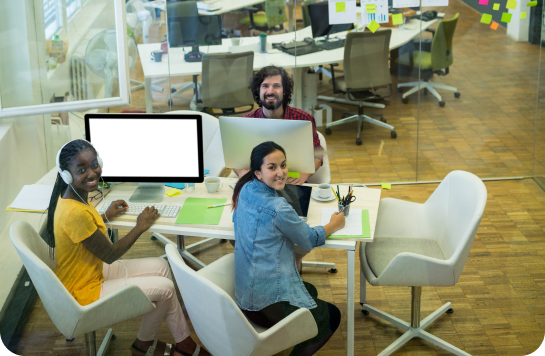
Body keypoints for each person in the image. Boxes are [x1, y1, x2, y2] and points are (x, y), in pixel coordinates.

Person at [45, 139, 209, 356]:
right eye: (81, 170)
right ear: (67, 175)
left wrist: (105, 215)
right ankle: (167, 344)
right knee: (167, 289)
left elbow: (84, 232)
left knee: (161, 266)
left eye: (94, 165)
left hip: (88, 272)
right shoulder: (75, 213)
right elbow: (110, 254)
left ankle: (156, 343)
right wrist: (140, 226)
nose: (92, 173)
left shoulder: (72, 197)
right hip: (84, 291)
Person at [232, 141, 345, 356]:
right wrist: (333, 225)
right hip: (264, 306)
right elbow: (308, 239)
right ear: (258, 173)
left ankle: (288, 338)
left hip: (245, 296)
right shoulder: (279, 208)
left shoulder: (245, 189)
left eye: (283, 165)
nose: (281, 172)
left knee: (310, 290)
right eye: (272, 167)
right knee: (332, 316)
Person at [234, 65, 323, 185]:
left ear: (284, 91)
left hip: (291, 182)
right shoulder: (246, 122)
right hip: (258, 182)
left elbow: (318, 155)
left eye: (276, 86)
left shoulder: (303, 119)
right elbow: (235, 157)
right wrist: (242, 173)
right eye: (265, 86)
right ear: (258, 90)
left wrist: (303, 176)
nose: (270, 91)